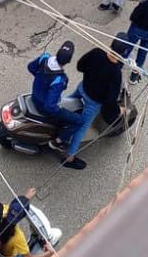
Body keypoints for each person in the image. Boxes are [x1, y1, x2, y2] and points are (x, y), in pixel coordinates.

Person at [51, 37, 128, 169]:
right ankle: (69, 157)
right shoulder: (116, 74)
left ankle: (58, 125)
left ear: (110, 45)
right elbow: (110, 100)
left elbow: (80, 66)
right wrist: (118, 110)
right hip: (93, 103)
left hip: (82, 88)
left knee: (67, 103)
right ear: (124, 53)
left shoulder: (97, 53)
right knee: (82, 128)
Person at [26, 40, 84, 134]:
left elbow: (30, 67)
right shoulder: (59, 80)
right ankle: (60, 139)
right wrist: (59, 109)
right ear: (68, 61)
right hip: (42, 107)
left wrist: (40, 79)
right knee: (80, 121)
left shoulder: (44, 58)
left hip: (34, 96)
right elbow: (49, 106)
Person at [0, 192, 53, 257]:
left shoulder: (2, 210)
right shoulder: (18, 236)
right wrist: (49, 253)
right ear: (23, 216)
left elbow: (14, 208)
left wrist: (24, 199)